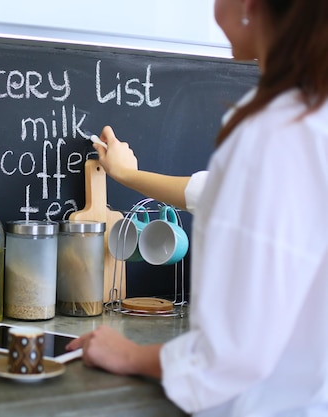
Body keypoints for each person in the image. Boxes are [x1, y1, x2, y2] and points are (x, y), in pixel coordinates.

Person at [67, 0, 328, 416]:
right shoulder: (308, 120)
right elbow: (220, 195)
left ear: (250, 5)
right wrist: (131, 176)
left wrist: (132, 355)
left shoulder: (273, 137)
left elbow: (235, 353)